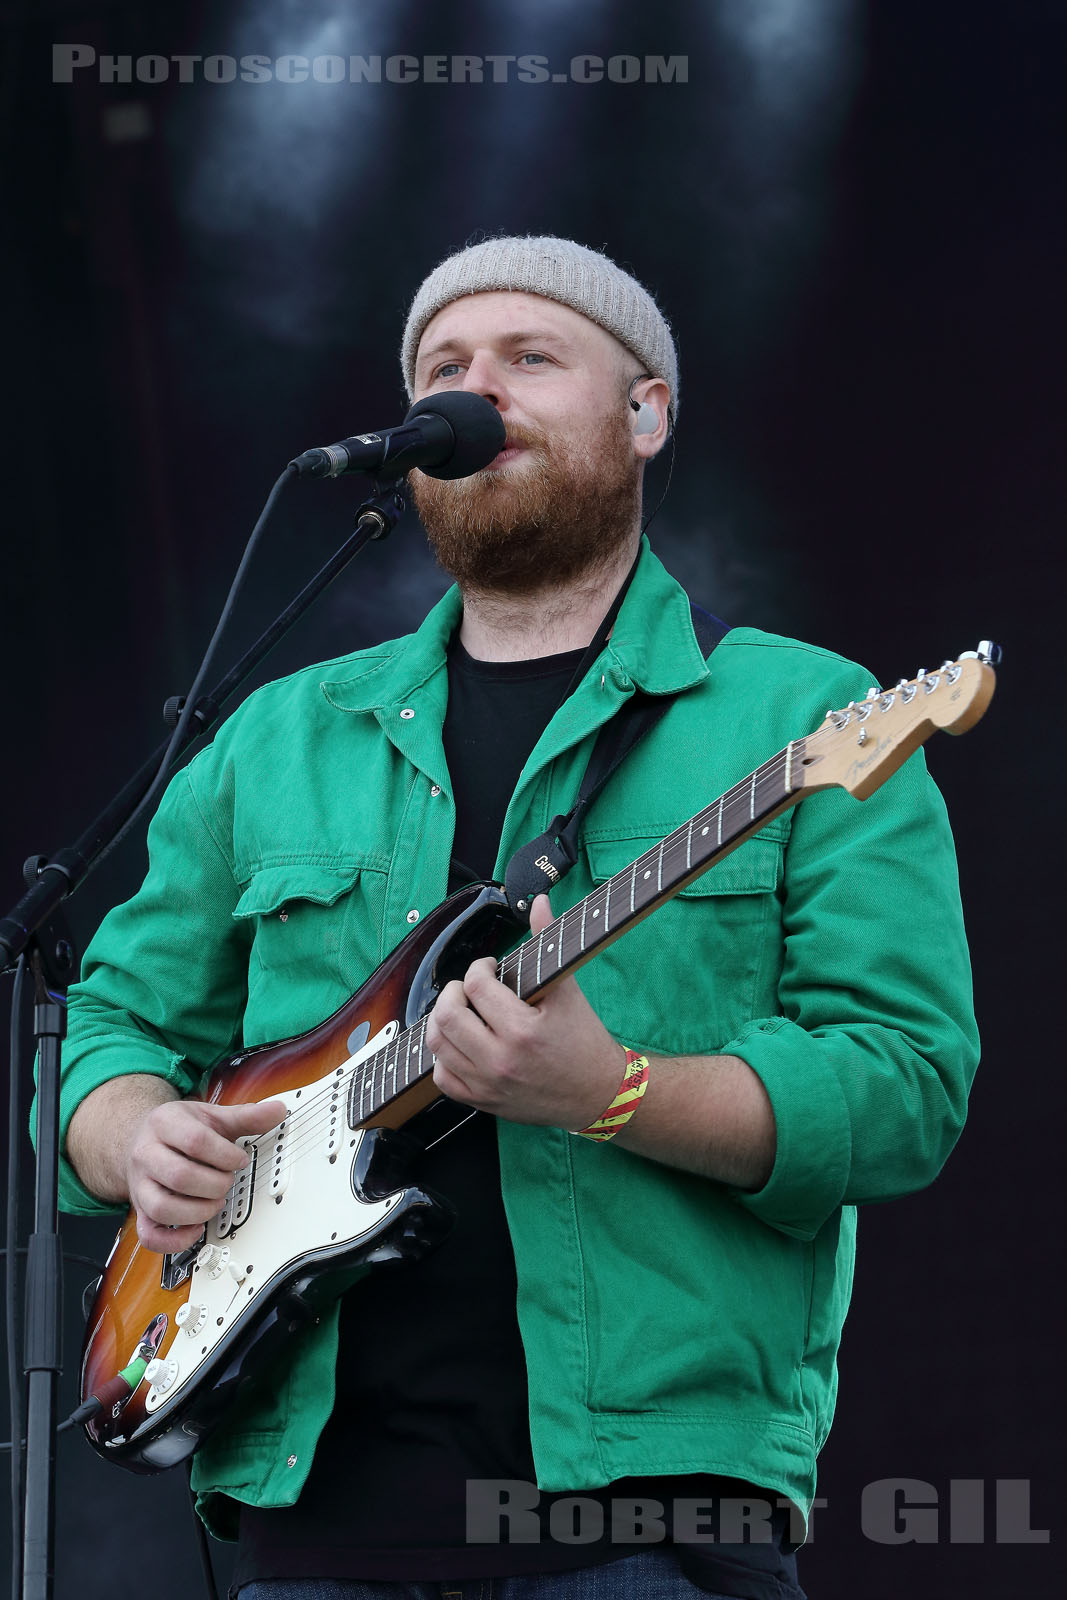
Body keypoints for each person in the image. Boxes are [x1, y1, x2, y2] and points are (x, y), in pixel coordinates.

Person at [58, 237, 979, 1600]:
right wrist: (136, 1132)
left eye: (529, 359)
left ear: (648, 412)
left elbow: (905, 1089)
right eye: (444, 369)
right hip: (317, 1519)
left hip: (645, 1523)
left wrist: (610, 1092)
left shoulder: (805, 719)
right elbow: (112, 1020)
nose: (474, 391)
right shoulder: (277, 736)